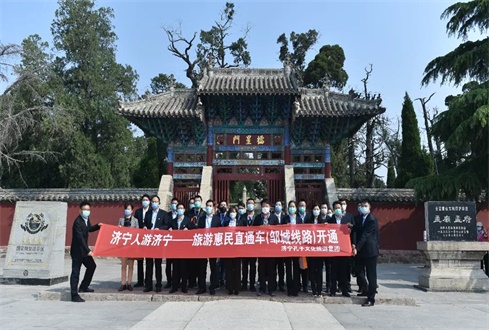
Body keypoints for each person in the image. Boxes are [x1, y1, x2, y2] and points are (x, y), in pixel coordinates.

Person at [70, 201, 102, 302]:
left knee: (92, 266)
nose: (86, 211)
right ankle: (74, 295)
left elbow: (88, 229)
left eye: (88, 210)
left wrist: (98, 226)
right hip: (77, 252)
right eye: (85, 210)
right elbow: (80, 239)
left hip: (84, 251)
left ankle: (84, 286)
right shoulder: (77, 222)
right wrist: (88, 251)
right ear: (80, 211)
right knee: (76, 272)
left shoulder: (86, 219)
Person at [353, 200, 379, 307]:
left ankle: (371, 299)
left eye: (365, 206)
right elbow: (357, 229)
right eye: (362, 206)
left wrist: (356, 248)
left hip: (370, 252)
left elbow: (365, 235)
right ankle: (365, 289)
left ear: (369, 207)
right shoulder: (360, 218)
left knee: (371, 275)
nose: (363, 207)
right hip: (362, 252)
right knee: (357, 270)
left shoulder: (371, 219)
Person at [328, 201, 354, 297]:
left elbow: (354, 231)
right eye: (336, 208)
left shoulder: (348, 218)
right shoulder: (330, 220)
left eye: (339, 207)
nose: (338, 209)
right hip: (334, 249)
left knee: (344, 271)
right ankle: (333, 290)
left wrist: (351, 229)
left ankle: (344, 290)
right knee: (333, 271)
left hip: (344, 249)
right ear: (334, 210)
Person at [196, 199, 221, 295]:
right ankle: (202, 287)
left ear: (214, 208)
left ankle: (212, 286)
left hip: (213, 246)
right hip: (203, 245)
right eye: (207, 205)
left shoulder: (216, 219)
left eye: (210, 206)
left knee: (213, 267)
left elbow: (219, 233)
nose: (209, 207)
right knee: (202, 267)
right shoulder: (201, 219)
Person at [143, 195, 167, 293]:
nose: (154, 203)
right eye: (153, 202)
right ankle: (148, 285)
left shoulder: (164, 214)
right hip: (149, 242)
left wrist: (160, 229)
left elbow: (166, 225)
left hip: (158, 242)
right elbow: (145, 224)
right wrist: (144, 227)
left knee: (158, 265)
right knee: (149, 265)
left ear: (159, 203)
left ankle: (158, 284)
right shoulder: (148, 213)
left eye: (156, 202)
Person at [255, 198, 279, 296]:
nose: (265, 208)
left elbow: (279, 232)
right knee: (261, 269)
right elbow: (253, 231)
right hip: (260, 248)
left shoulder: (274, 218)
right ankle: (262, 288)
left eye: (267, 206)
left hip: (271, 248)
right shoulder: (257, 218)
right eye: (263, 206)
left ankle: (271, 289)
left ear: (270, 207)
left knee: (272, 269)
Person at [168, 202, 192, 293]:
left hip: (184, 248)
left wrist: (188, 230)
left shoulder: (187, 221)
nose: (180, 210)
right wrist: (169, 229)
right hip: (175, 249)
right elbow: (168, 228)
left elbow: (193, 230)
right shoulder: (173, 221)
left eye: (182, 208)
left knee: (184, 268)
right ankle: (174, 286)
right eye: (179, 208)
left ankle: (184, 287)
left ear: (184, 210)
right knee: (175, 268)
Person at [118, 203, 138, 291]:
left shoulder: (135, 220)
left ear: (132, 211)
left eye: (129, 209)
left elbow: (138, 231)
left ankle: (129, 283)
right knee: (123, 266)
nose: (127, 210)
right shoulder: (121, 220)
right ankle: (123, 283)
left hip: (132, 245)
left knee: (131, 265)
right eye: (126, 209)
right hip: (123, 245)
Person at [239, 198, 257, 291]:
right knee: (244, 266)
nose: (250, 205)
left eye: (252, 203)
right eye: (249, 203)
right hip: (244, 245)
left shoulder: (257, 217)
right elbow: (239, 228)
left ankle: (252, 284)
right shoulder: (242, 217)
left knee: (253, 266)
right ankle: (244, 284)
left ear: (254, 205)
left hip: (254, 246)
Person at [186, 195, 205, 289]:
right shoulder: (188, 213)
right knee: (190, 264)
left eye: (198, 200)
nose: (197, 202)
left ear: (201, 202)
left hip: (201, 243)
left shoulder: (204, 214)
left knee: (200, 264)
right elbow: (186, 224)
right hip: (190, 242)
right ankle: (191, 281)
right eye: (195, 201)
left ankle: (200, 282)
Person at [307, 204, 324, 297]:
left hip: (320, 250)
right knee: (312, 271)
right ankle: (313, 290)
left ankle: (319, 290)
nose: (316, 210)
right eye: (314, 209)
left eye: (317, 209)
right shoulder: (308, 221)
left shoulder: (323, 222)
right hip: (311, 250)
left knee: (320, 271)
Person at [133, 194, 151, 288]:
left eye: (147, 200)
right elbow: (135, 223)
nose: (145, 201)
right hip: (139, 237)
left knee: (148, 261)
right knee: (140, 261)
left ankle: (148, 280)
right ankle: (140, 280)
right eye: (144, 200)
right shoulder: (138, 211)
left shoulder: (152, 211)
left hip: (149, 238)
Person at [224, 206, 241, 295]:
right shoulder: (226, 223)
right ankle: (230, 288)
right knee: (229, 269)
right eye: (231, 212)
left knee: (237, 269)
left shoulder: (240, 223)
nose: (232, 213)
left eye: (234, 212)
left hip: (237, 249)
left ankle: (237, 288)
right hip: (228, 249)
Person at [284, 200, 300, 296]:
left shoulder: (299, 219)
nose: (292, 208)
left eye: (293, 206)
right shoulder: (285, 219)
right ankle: (289, 289)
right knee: (288, 269)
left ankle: (296, 288)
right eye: (290, 206)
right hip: (287, 246)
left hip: (297, 247)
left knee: (296, 269)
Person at [339, 198, 355, 293]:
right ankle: (340, 284)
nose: (343, 205)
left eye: (344, 204)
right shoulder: (336, 217)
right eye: (341, 204)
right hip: (339, 245)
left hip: (347, 244)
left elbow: (354, 230)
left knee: (347, 266)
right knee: (339, 266)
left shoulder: (350, 216)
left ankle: (347, 284)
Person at [164, 197, 179, 289]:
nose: (174, 205)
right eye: (173, 203)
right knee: (168, 264)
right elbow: (165, 225)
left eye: (176, 203)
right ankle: (169, 281)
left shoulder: (182, 215)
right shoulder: (167, 215)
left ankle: (176, 281)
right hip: (169, 243)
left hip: (178, 244)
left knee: (177, 265)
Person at [297, 199, 310, 293]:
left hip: (307, 244)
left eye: (303, 205)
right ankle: (298, 284)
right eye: (300, 205)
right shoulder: (295, 217)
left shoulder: (309, 216)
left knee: (306, 266)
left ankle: (305, 285)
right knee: (297, 266)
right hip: (296, 244)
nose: (302, 207)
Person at [274, 199, 288, 292]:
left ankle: (282, 284)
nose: (278, 206)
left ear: (282, 206)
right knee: (273, 267)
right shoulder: (270, 217)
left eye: (279, 204)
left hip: (283, 245)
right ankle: (273, 283)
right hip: (273, 246)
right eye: (276, 204)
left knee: (281, 267)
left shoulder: (285, 218)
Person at [320, 202, 332, 294]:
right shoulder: (317, 219)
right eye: (322, 207)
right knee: (319, 268)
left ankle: (329, 285)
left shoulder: (330, 219)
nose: (323, 209)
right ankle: (319, 285)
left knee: (329, 267)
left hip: (328, 248)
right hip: (318, 248)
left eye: (325, 207)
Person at [217, 199, 229, 288]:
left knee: (225, 264)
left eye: (224, 205)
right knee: (217, 264)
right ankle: (218, 280)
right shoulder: (215, 216)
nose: (223, 206)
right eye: (221, 205)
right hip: (217, 243)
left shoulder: (230, 217)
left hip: (227, 243)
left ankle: (225, 280)